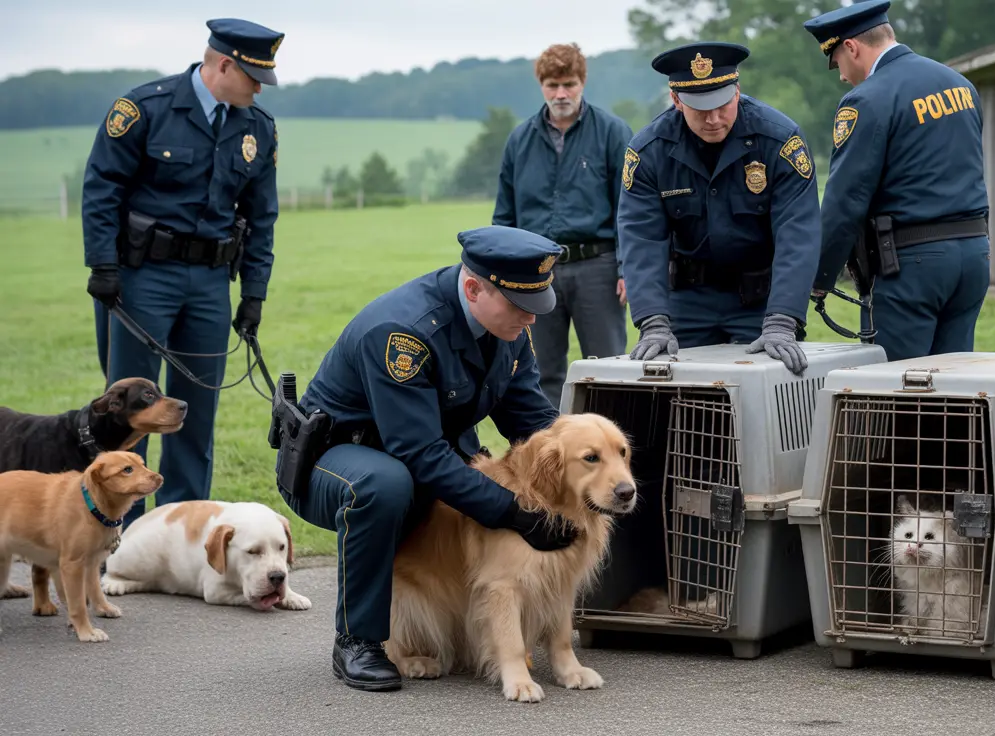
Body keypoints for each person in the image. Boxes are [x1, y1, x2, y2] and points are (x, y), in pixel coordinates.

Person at [277, 225, 579, 692]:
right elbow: (419, 455)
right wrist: (512, 511)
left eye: (536, 305)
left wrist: (580, 465)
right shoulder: (403, 333)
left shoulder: (507, 326)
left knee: (463, 476)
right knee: (386, 487)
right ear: (474, 288)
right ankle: (358, 641)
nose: (531, 319)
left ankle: (470, 628)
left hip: (417, 457)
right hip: (337, 463)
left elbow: (531, 421)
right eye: (521, 306)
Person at [82, 18, 282, 525]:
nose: (260, 87)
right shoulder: (145, 109)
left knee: (194, 413)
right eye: (254, 76)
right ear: (223, 64)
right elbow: (101, 189)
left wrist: (253, 293)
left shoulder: (257, 128)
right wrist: (103, 266)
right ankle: (119, 537)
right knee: (132, 413)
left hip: (211, 282)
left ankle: (180, 533)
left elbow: (262, 217)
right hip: (143, 276)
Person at [616, 42, 819, 376]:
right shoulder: (648, 152)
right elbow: (642, 239)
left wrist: (783, 319)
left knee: (765, 398)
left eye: (722, 104)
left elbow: (798, 234)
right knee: (682, 403)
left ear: (737, 91)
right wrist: (652, 321)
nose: (713, 118)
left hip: (760, 302)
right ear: (676, 100)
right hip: (689, 299)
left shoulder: (779, 141)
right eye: (700, 108)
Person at [803, 1, 991, 362]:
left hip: (912, 267)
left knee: (893, 397)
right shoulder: (960, 85)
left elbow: (845, 201)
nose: (842, 75)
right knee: (953, 389)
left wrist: (818, 279)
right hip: (973, 256)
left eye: (837, 62)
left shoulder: (866, 99)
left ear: (851, 47)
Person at [492, 43, 634, 408]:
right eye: (552, 85)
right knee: (538, 373)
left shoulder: (613, 133)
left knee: (608, 370)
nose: (561, 94)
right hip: (536, 272)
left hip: (598, 267)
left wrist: (627, 269)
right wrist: (502, 276)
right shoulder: (519, 141)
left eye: (568, 84)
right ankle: (551, 459)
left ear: (582, 82)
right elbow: (505, 217)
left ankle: (610, 455)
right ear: (541, 85)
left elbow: (630, 209)